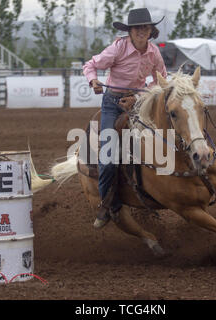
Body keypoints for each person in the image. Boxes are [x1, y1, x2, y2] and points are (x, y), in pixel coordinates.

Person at [83, 8, 168, 229]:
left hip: (138, 103)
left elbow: (161, 79)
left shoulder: (153, 53)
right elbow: (90, 65)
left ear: (151, 31)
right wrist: (94, 81)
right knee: (108, 156)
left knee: (156, 147)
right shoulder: (118, 48)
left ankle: (151, 193)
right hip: (112, 103)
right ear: (129, 31)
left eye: (145, 27)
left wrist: (139, 95)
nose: (142, 31)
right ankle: (107, 204)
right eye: (137, 28)